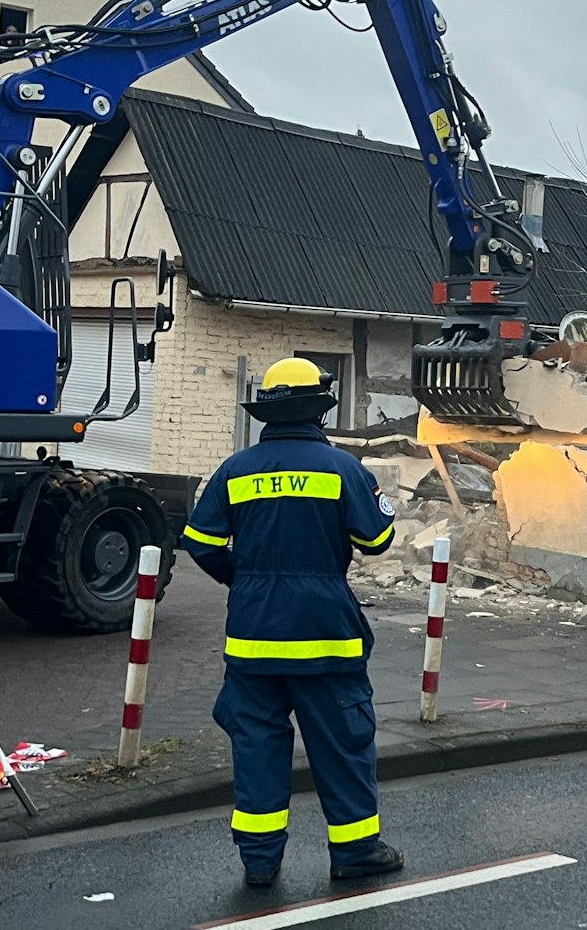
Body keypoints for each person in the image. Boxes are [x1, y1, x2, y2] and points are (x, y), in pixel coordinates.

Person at [180, 356, 405, 887]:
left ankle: (260, 863)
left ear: (267, 413)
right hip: (328, 638)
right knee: (343, 745)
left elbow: (200, 541)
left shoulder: (235, 470)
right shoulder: (344, 469)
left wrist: (242, 576)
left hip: (254, 637)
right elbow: (376, 540)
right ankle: (354, 853)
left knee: (257, 748)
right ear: (318, 410)